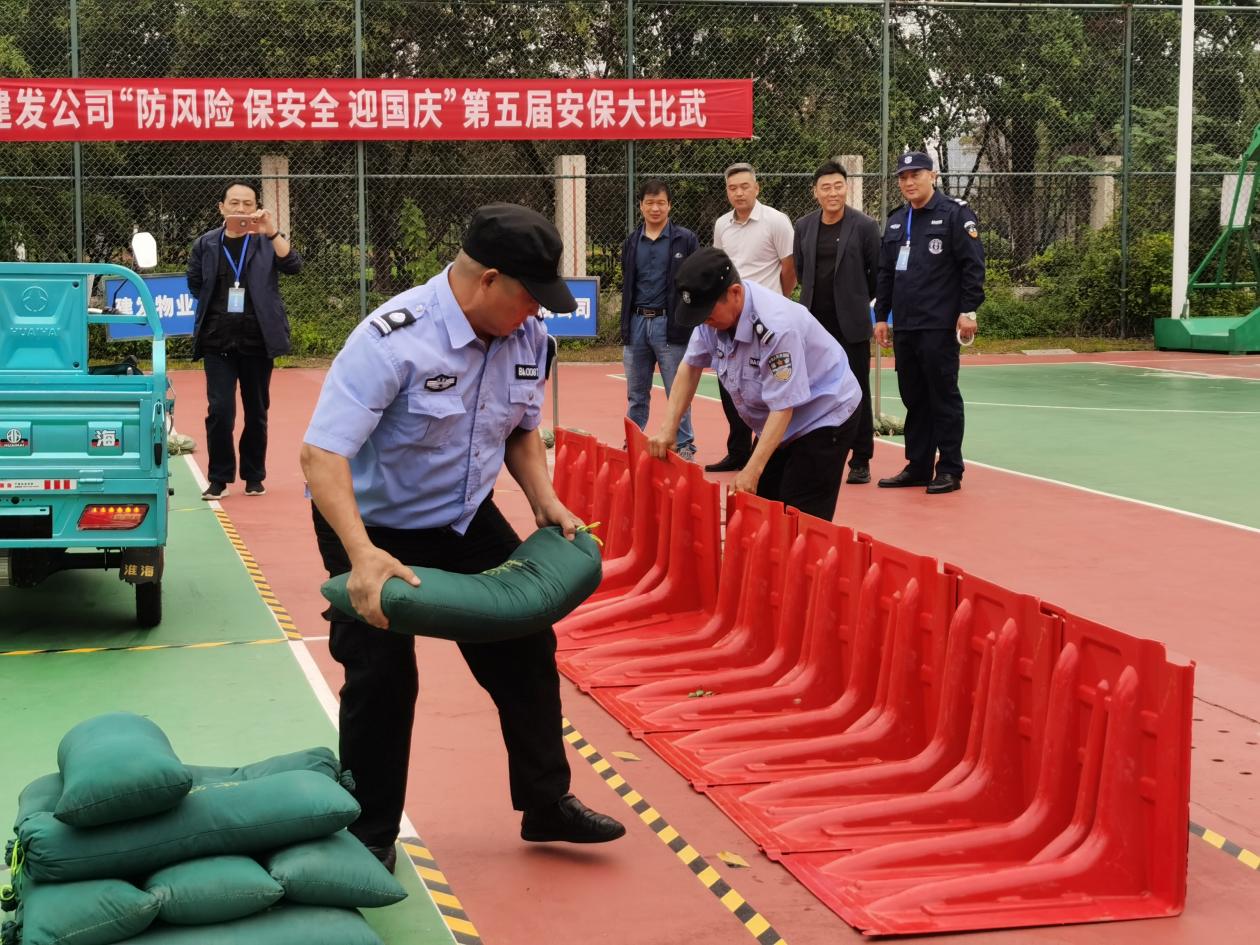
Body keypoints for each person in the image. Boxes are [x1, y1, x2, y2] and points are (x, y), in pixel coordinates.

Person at [299, 203, 625, 872]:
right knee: (382, 674)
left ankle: (545, 802)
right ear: (488, 281)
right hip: (371, 524)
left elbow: (520, 429)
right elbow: (321, 455)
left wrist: (543, 500)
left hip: (463, 517)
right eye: (529, 297)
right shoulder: (393, 338)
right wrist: (360, 555)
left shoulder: (529, 337)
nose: (536, 312)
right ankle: (369, 833)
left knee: (527, 648)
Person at [648, 248, 862, 521]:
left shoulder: (776, 327)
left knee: (798, 517)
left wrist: (752, 469)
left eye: (708, 314)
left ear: (735, 293)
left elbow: (783, 407)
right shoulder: (710, 317)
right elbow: (690, 367)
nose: (704, 323)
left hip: (823, 413)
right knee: (762, 512)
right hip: (778, 419)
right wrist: (669, 428)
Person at [874, 152, 986, 494]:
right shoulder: (897, 220)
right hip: (905, 326)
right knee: (914, 397)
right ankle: (918, 465)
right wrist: (882, 317)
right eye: (903, 177)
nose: (909, 182)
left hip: (939, 325)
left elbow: (973, 266)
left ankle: (950, 468)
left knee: (943, 396)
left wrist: (969, 311)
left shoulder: (955, 214)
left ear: (932, 176)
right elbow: (886, 273)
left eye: (916, 175)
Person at [187, 181, 302, 500]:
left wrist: (271, 231)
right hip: (218, 340)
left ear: (257, 208)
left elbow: (293, 266)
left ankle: (254, 475)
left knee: (257, 410)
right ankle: (219, 478)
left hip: (257, 339)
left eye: (248, 204)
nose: (241, 209)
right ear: (221, 207)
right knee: (220, 411)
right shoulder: (206, 243)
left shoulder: (266, 240)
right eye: (234, 203)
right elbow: (195, 283)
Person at [793, 160, 881, 485]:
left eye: (838, 186)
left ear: (846, 188)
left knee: (857, 391)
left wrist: (854, 300)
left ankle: (861, 458)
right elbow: (801, 271)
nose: (833, 193)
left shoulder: (865, 226)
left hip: (851, 325)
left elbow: (876, 276)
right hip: (814, 326)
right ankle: (818, 452)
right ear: (815, 192)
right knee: (814, 390)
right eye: (826, 187)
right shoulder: (803, 226)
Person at [707, 162, 797, 474]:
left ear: (757, 188)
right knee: (730, 383)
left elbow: (789, 268)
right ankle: (738, 451)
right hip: (731, 317)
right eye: (733, 188)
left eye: (745, 186)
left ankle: (766, 451)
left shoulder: (776, 221)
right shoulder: (722, 225)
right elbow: (721, 267)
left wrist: (777, 300)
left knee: (766, 386)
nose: (739, 193)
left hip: (765, 320)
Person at [620, 179, 700, 459]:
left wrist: (686, 319)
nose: (655, 208)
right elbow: (628, 282)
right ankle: (633, 441)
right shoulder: (631, 242)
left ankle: (684, 444)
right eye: (650, 203)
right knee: (636, 394)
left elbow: (695, 280)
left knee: (677, 391)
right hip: (637, 323)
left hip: (670, 325)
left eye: (661, 203)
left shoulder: (685, 239)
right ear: (641, 206)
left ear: (669, 206)